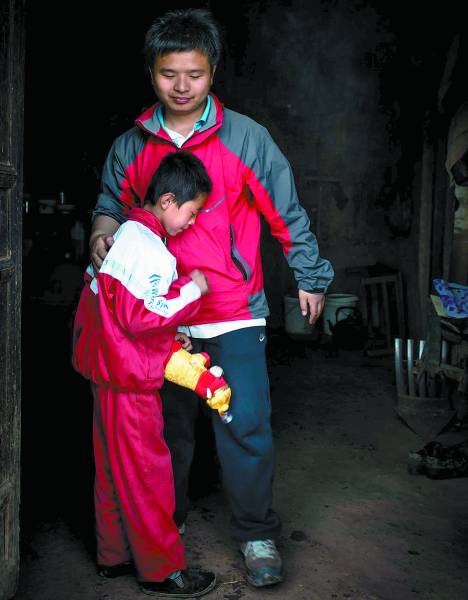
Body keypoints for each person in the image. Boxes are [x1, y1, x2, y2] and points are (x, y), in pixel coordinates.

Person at [89, 8, 334, 588]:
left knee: (244, 423)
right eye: (168, 73)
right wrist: (101, 230)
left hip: (230, 312)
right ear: (151, 73)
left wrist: (310, 274)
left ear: (213, 70)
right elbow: (110, 203)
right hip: (157, 321)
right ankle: (161, 532)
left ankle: (256, 532)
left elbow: (285, 210)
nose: (181, 86)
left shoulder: (246, 138)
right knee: (165, 434)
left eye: (194, 74)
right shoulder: (131, 145)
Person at [73, 151, 217, 597]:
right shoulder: (151, 250)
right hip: (131, 383)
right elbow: (141, 315)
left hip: (104, 374)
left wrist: (170, 333)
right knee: (150, 475)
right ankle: (163, 571)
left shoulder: (123, 237)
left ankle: (113, 555)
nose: (191, 223)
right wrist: (193, 289)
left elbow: (114, 309)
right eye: (190, 213)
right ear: (169, 201)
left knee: (111, 470)